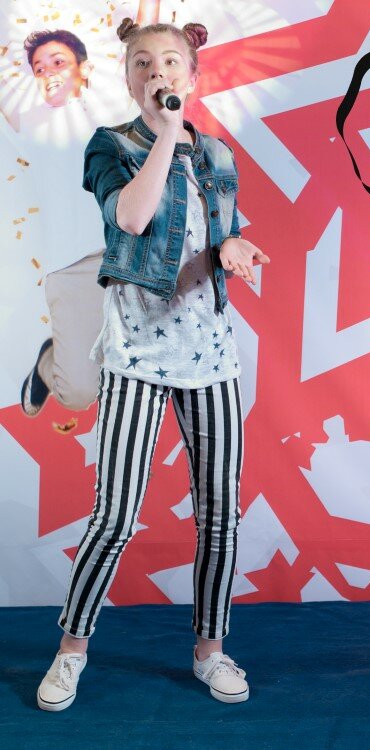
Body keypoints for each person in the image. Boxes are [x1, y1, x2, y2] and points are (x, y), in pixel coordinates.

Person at [36, 16, 270, 710]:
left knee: (220, 515)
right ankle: (71, 652)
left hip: (212, 358)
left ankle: (210, 651)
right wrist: (167, 134)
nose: (157, 71)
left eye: (170, 61)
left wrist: (235, 248)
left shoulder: (219, 154)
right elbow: (133, 219)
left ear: (192, 76)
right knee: (114, 517)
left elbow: (219, 232)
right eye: (142, 62)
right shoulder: (110, 146)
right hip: (137, 354)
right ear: (128, 77)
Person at [16, 29, 136, 417]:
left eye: (58, 62)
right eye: (39, 68)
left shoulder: (115, 108)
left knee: (145, 375)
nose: (48, 72)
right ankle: (48, 363)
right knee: (80, 394)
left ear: (83, 68)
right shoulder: (29, 124)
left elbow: (143, 42)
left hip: (132, 256)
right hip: (73, 267)